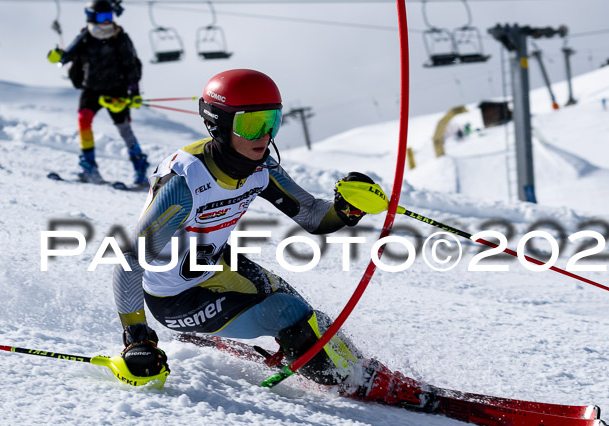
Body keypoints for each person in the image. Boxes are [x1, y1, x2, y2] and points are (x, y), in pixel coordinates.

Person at [111, 69, 426, 408]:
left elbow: (312, 217)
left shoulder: (261, 168)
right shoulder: (185, 184)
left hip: (213, 265)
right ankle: (351, 382)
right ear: (219, 124)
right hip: (174, 298)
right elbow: (129, 260)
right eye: (251, 125)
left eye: (271, 121)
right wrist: (137, 337)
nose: (264, 135)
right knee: (288, 313)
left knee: (301, 310)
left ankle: (359, 369)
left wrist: (346, 208)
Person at [47, 0, 148, 185]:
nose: (107, 21)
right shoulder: (86, 36)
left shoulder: (119, 37)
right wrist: (58, 56)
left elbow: (131, 64)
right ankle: (89, 166)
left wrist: (133, 91)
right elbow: (69, 53)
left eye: (110, 16)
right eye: (103, 17)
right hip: (91, 88)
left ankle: (139, 166)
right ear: (92, 17)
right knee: (84, 119)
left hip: (116, 90)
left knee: (124, 128)